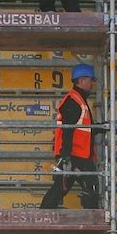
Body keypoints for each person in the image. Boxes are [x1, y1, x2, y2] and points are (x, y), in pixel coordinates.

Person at [40, 63, 101, 209]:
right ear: (81, 80)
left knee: (61, 188)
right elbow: (67, 129)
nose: (92, 83)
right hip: (75, 155)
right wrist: (65, 156)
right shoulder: (74, 100)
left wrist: (104, 127)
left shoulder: (79, 99)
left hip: (78, 154)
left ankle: (43, 215)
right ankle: (92, 220)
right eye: (90, 80)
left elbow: (85, 128)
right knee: (90, 186)